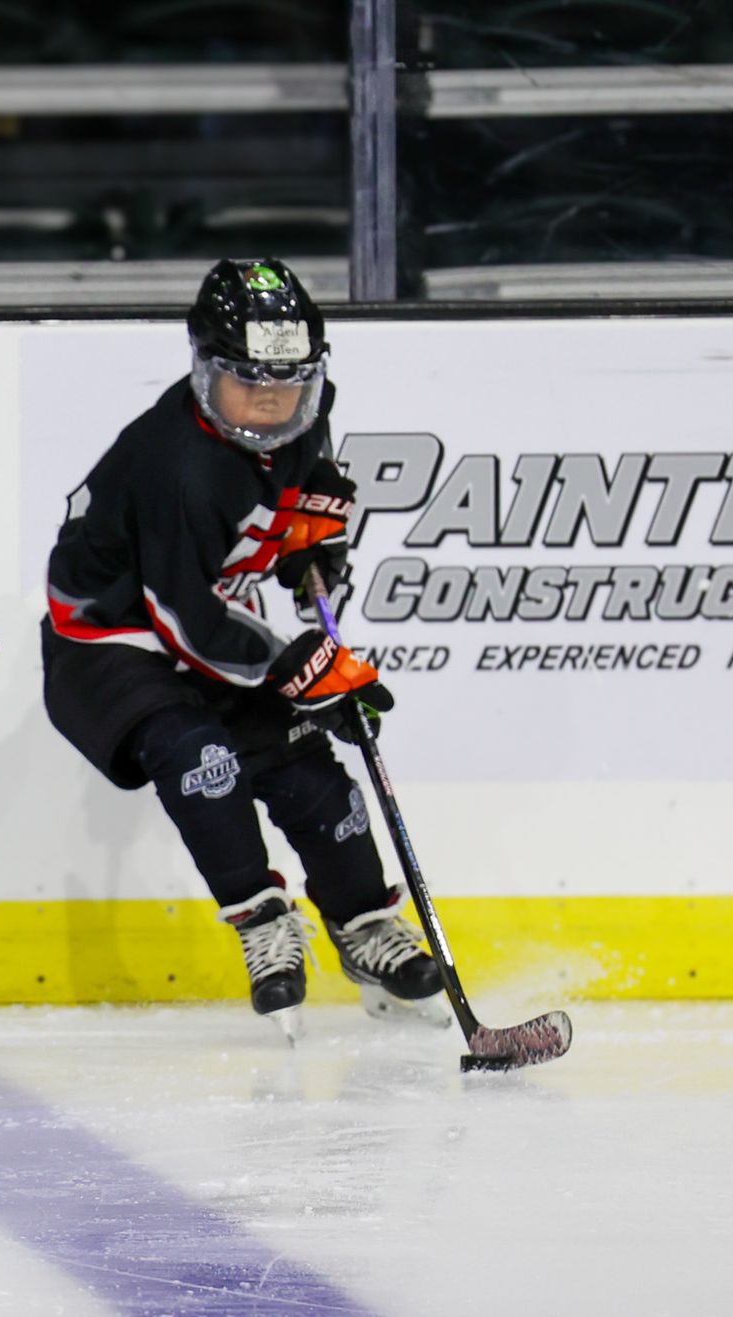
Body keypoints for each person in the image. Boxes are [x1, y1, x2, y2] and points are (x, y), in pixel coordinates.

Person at [40, 258, 444, 1038]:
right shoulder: (177, 464)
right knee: (202, 758)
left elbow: (297, 487)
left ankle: (364, 925)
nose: (269, 399)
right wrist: (303, 665)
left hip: (201, 620)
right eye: (248, 380)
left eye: (288, 381)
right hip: (106, 643)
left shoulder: (301, 417)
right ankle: (262, 919)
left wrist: (306, 542)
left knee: (305, 766)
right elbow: (183, 618)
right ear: (203, 370)